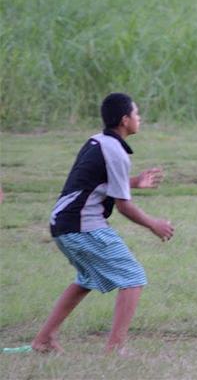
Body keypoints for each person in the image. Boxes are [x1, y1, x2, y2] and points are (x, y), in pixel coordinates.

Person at [31, 93, 174, 355]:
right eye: (136, 113)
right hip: (82, 226)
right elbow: (123, 206)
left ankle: (43, 340)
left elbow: (92, 183)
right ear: (124, 120)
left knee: (86, 278)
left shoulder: (97, 142)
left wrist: (133, 182)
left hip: (62, 223)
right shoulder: (116, 153)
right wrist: (154, 224)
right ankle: (115, 349)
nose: (139, 118)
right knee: (133, 277)